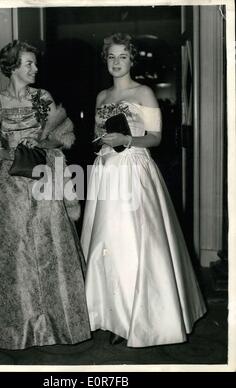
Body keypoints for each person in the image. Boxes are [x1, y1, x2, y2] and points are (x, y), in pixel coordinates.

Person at [0, 40, 91, 349]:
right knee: (14, 247)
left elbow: (65, 136)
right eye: (29, 64)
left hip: (43, 179)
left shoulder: (43, 98)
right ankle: (12, 326)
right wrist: (0, 150)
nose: (35, 69)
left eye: (34, 63)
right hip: (8, 185)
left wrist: (43, 144)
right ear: (13, 67)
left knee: (50, 244)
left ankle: (54, 325)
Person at [81, 33, 206, 348]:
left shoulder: (144, 92)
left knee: (133, 241)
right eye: (111, 56)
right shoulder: (101, 96)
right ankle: (107, 312)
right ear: (105, 59)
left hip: (134, 168)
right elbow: (98, 132)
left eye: (123, 56)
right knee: (103, 241)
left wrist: (126, 141)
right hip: (105, 171)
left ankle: (135, 318)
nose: (117, 62)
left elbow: (156, 138)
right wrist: (103, 140)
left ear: (132, 60)